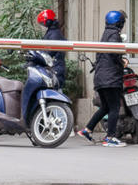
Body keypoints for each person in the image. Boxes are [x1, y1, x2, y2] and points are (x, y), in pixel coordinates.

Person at [76, 10, 128, 147]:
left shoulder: (105, 34)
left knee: (105, 107)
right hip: (111, 78)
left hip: (100, 77)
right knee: (115, 107)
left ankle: (87, 130)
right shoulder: (115, 35)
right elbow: (113, 53)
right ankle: (110, 138)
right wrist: (122, 62)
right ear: (120, 23)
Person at [36, 9, 66, 88]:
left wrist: (38, 56)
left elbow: (49, 51)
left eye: (43, 22)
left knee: (55, 90)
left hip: (55, 68)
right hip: (55, 67)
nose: (43, 25)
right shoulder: (52, 32)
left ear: (48, 20)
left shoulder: (54, 34)